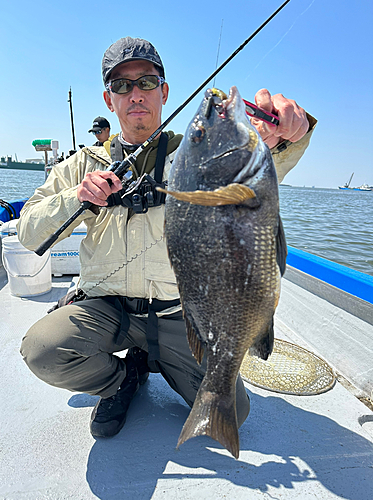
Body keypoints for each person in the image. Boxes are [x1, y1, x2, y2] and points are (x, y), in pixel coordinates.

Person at [17, 37, 316, 440]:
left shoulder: (197, 153)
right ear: (109, 100)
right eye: (122, 86)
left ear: (165, 92)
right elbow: (29, 228)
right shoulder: (80, 165)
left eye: (147, 81)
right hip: (107, 310)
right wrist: (78, 196)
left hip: (179, 312)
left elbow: (265, 165)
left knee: (231, 409)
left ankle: (164, 360)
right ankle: (122, 380)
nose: (135, 94)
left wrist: (290, 131)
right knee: (44, 351)